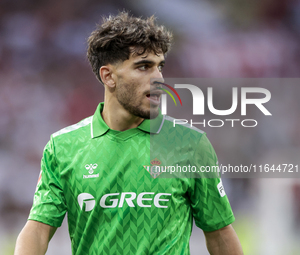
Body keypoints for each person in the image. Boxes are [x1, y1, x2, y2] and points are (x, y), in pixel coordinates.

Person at [14, 11, 243, 255]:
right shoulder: (63, 148)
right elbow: (38, 229)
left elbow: (219, 233)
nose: (158, 78)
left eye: (159, 67)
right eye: (143, 66)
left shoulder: (189, 144)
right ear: (108, 76)